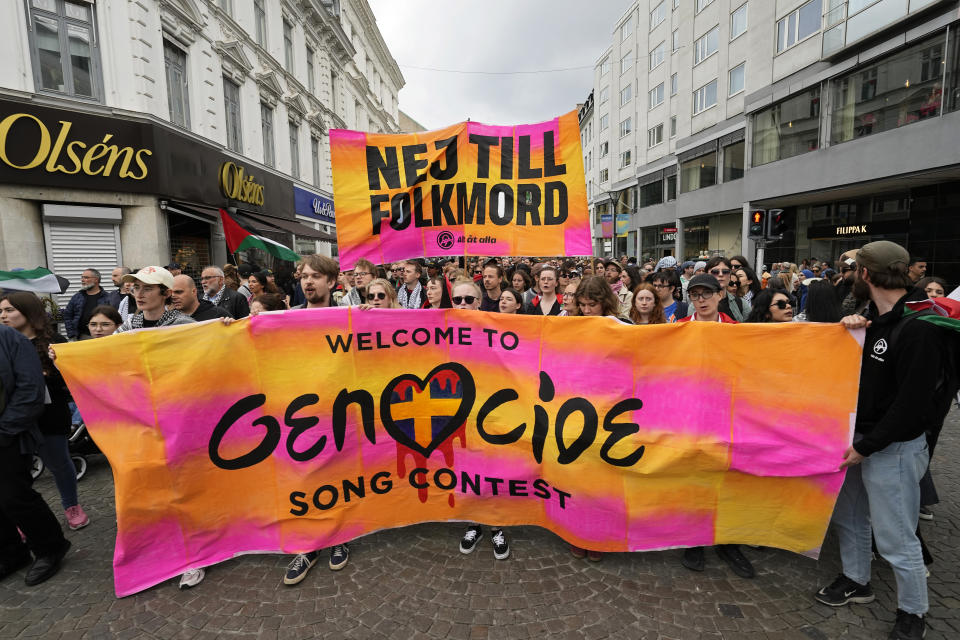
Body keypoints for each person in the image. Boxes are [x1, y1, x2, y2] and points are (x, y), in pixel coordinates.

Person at [817, 241, 939, 640]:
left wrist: (866, 447)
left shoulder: (919, 327)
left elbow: (913, 405)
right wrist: (849, 333)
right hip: (857, 439)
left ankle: (912, 612)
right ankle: (856, 580)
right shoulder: (869, 318)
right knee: (850, 518)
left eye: (855, 270)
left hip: (893, 448)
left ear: (866, 275)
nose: (851, 276)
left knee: (896, 533)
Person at [678, 274, 753, 578]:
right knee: (693, 477)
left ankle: (728, 540)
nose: (701, 300)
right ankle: (693, 540)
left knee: (729, 479)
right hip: (690, 416)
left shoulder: (737, 332)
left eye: (706, 294)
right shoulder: (678, 331)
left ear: (720, 295)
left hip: (728, 415)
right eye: (695, 295)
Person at [283, 254, 351, 584]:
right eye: (304, 277)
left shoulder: (349, 316)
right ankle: (309, 545)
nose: (308, 282)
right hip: (299, 413)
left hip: (341, 410)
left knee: (338, 474)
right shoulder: (286, 319)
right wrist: (230, 329)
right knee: (304, 476)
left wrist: (371, 318)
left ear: (331, 282)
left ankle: (339, 537)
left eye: (316, 276)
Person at [0, 292, 90, 531]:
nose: (3, 316)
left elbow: (72, 380)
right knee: (17, 471)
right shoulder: (5, 343)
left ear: (28, 311)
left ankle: (72, 506)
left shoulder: (53, 339)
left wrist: (52, 373)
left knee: (59, 463)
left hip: (49, 415)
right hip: (15, 417)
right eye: (1, 311)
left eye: (9, 310)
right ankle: (25, 516)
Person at [0, 322, 71, 586]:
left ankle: (50, 547)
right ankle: (11, 552)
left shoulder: (9, 339)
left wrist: (5, 430)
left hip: (9, 434)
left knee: (14, 496)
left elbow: (30, 389)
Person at [451, 279, 511, 560]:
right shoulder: (435, 329)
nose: (463, 305)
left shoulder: (498, 327)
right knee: (467, 470)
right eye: (457, 299)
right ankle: (474, 522)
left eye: (468, 299)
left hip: (493, 414)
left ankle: (497, 524)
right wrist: (369, 315)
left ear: (479, 302)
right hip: (458, 415)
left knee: (495, 469)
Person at [116, 267, 195, 333]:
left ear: (166, 293)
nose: (139, 295)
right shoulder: (129, 326)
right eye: (136, 288)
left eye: (147, 289)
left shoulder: (184, 326)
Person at [63, 268, 112, 340]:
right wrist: (71, 334)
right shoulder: (77, 297)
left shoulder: (107, 297)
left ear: (96, 280)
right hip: (81, 336)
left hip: (102, 336)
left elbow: (113, 318)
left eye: (86, 278)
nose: (82, 280)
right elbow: (68, 315)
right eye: (82, 277)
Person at [705, 257, 751, 322]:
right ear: (707, 275)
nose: (720, 274)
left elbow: (751, 328)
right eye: (715, 271)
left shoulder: (741, 303)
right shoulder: (697, 304)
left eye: (725, 271)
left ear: (730, 275)